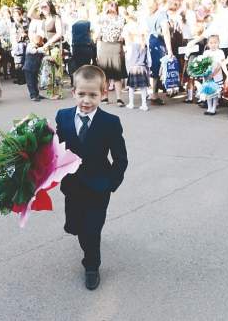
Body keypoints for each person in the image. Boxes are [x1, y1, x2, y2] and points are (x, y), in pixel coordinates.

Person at [55, 65, 128, 290]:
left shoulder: (110, 122)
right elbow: (55, 148)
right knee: (75, 226)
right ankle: (81, 233)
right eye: (82, 94)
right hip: (73, 187)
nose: (86, 100)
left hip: (98, 187)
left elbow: (120, 158)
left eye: (93, 95)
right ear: (73, 92)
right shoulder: (63, 116)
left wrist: (111, 184)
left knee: (91, 231)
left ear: (103, 93)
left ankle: (91, 266)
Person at [28, 0, 63, 99]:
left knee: (55, 69)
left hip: (54, 46)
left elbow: (59, 33)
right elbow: (30, 14)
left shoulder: (56, 17)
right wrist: (35, 3)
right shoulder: (42, 18)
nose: (43, 9)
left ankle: (57, 93)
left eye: (45, 6)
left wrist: (49, 43)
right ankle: (50, 93)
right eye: (42, 7)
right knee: (47, 70)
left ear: (50, 7)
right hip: (45, 47)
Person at [96, 1, 127, 107]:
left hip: (116, 46)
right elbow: (98, 31)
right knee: (105, 75)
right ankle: (105, 97)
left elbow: (122, 28)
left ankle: (119, 98)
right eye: (110, 6)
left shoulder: (120, 18)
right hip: (104, 46)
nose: (111, 8)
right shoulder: (102, 18)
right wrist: (105, 13)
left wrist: (123, 36)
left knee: (117, 74)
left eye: (113, 6)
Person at [146, 0, 174, 106]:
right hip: (159, 43)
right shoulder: (162, 15)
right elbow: (166, 32)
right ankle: (154, 95)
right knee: (158, 69)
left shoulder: (149, 16)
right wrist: (170, 50)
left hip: (151, 42)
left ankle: (153, 93)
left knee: (153, 68)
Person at [125, 17, 150, 111]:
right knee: (143, 87)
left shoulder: (132, 45)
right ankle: (144, 105)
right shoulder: (144, 44)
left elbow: (129, 58)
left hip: (134, 67)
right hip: (142, 67)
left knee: (131, 87)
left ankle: (131, 103)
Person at [201, 35, 225, 115]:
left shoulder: (220, 52)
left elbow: (220, 65)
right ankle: (209, 108)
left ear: (218, 43)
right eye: (211, 43)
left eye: (215, 43)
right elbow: (203, 64)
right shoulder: (206, 52)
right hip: (207, 76)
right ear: (208, 44)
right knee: (208, 92)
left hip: (216, 76)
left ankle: (214, 108)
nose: (213, 44)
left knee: (214, 93)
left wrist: (213, 73)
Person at [23, 34, 45, 101]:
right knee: (30, 82)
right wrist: (41, 49)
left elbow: (43, 54)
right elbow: (34, 51)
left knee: (35, 82)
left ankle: (37, 94)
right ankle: (33, 95)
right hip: (28, 68)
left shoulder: (38, 47)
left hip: (35, 68)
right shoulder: (30, 46)